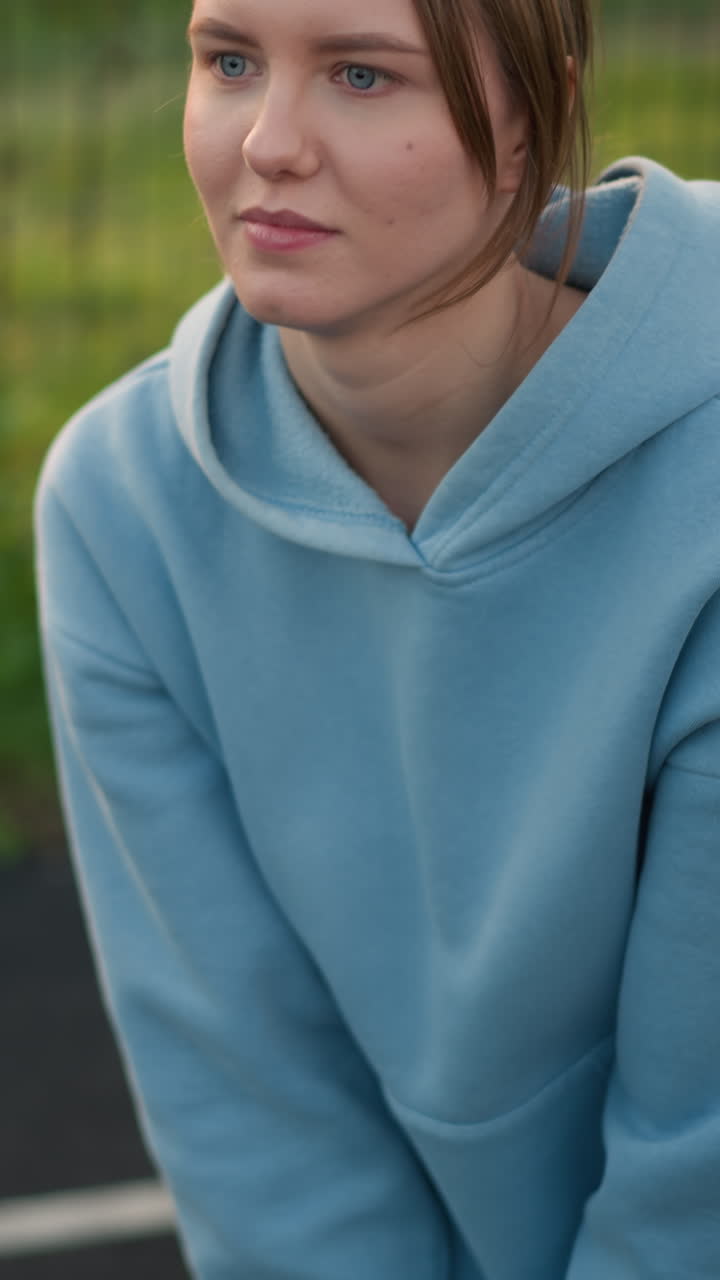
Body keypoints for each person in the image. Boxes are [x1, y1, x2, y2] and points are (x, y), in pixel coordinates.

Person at [34, 0, 720, 1275]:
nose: (268, 143)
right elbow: (251, 1114)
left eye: (362, 74)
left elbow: (701, 1168)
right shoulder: (122, 509)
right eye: (229, 61)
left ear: (529, 117)